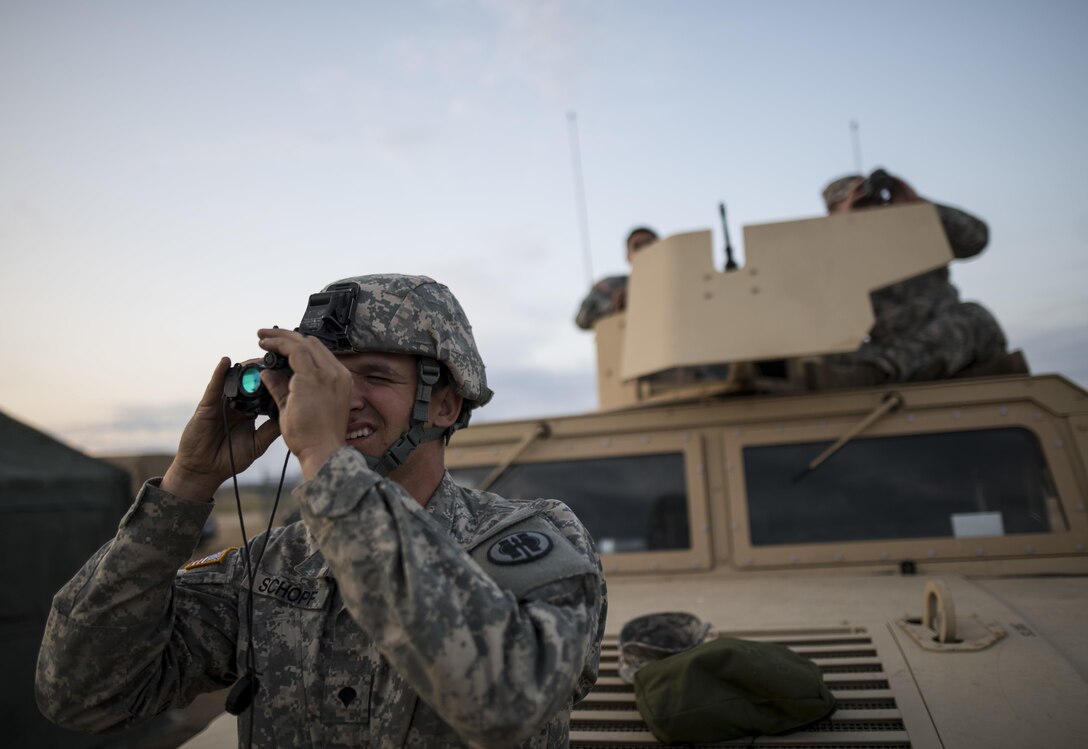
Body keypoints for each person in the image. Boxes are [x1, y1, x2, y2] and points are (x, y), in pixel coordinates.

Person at [36, 274, 607, 748]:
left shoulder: (532, 534)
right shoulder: (273, 564)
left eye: (375, 377)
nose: (340, 398)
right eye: (325, 377)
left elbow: (508, 700)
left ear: (445, 405)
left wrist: (323, 456)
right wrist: (188, 483)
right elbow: (82, 693)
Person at [816, 169, 1008, 385]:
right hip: (882, 347)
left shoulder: (914, 228)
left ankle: (883, 371)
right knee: (819, 347)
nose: (865, 206)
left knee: (976, 319)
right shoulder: (830, 254)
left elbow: (976, 239)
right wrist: (846, 224)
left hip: (941, 339)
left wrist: (917, 205)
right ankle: (881, 369)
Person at [575, 226, 658, 330]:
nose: (644, 250)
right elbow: (581, 320)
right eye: (637, 246)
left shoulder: (674, 284)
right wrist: (614, 306)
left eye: (650, 244)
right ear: (628, 255)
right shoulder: (610, 285)